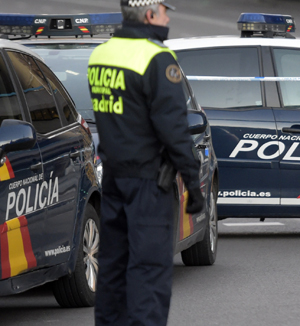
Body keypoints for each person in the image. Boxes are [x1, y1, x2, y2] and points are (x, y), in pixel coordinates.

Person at [88, 1, 204, 325]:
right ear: (150, 14)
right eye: (165, 12)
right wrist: (193, 186)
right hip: (149, 185)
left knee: (112, 269)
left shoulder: (101, 55)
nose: (168, 19)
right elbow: (175, 131)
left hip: (112, 179)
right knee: (148, 272)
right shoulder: (157, 59)